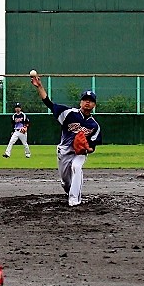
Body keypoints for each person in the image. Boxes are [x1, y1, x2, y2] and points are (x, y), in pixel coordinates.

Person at [31, 75, 102, 206]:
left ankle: (74, 200)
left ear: (94, 105)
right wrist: (39, 87)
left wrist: (86, 148)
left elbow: (92, 147)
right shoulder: (69, 113)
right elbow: (49, 103)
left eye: (90, 100)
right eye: (85, 100)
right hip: (64, 152)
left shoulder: (94, 125)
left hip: (79, 154)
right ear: (80, 102)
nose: (87, 102)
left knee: (77, 167)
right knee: (66, 183)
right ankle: (70, 191)